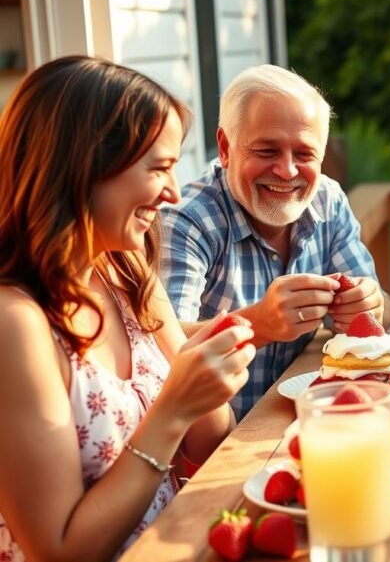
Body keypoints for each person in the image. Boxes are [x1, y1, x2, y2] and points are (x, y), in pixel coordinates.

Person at [0, 56, 253, 560]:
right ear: (85, 168)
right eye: (158, 168)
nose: (174, 192)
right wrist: (174, 407)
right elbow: (57, 550)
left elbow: (209, 442)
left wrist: (207, 377)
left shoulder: (124, 271)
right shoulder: (16, 322)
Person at [161, 65, 390, 417]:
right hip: (210, 450)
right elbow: (162, 347)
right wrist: (258, 323)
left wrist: (370, 304)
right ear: (225, 147)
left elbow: (385, 311)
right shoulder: (186, 220)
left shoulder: (327, 199)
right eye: (267, 151)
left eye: (304, 154)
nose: (287, 171)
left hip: (302, 425)